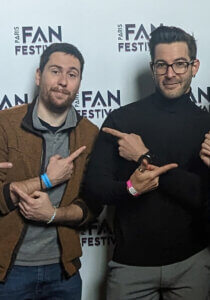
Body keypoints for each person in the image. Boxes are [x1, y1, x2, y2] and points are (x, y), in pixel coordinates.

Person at [84, 26, 210, 300]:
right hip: (131, 267)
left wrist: (145, 158)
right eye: (162, 65)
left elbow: (203, 196)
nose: (170, 74)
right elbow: (95, 187)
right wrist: (130, 188)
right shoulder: (122, 120)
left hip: (193, 263)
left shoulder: (207, 124)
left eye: (179, 64)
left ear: (194, 66)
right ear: (152, 67)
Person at [0, 42, 101, 300]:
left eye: (72, 74)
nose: (63, 81)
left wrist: (52, 215)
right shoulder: (5, 125)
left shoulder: (90, 135)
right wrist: (46, 179)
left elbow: (92, 206)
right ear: (38, 75)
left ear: (79, 82)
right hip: (9, 271)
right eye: (55, 71)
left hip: (63, 272)